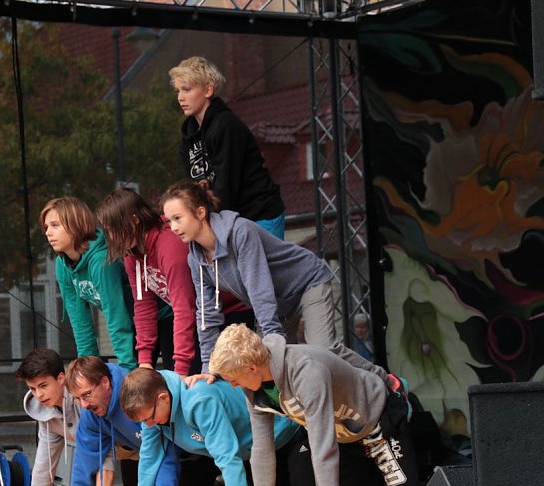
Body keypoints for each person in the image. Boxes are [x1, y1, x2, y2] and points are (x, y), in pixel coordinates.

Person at [209, 324, 421, 486]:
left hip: (378, 419)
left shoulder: (305, 370)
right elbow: (262, 449)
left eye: (233, 379)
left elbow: (322, 443)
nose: (234, 386)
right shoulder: (253, 389)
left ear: (252, 368)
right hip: (345, 435)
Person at [160, 180, 376, 374]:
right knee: (266, 367)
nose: (173, 227)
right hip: (280, 302)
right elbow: (206, 314)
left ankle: (385, 381)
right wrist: (209, 366)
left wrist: (273, 337)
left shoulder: (240, 232)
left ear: (200, 213)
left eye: (178, 218)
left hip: (307, 283)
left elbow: (258, 288)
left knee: (324, 353)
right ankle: (294, 418)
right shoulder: (195, 260)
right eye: (169, 221)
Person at [118, 367, 303, 486]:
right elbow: (149, 460)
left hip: (285, 436)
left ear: (163, 398)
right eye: (143, 421)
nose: (148, 425)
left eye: (150, 418)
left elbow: (227, 456)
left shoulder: (199, 400)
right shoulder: (151, 411)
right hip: (249, 454)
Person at [47, 356, 180, 486]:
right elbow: (84, 459)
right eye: (77, 399)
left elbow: (164, 453)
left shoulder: (134, 397)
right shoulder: (91, 412)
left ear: (105, 382)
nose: (84, 405)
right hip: (149, 454)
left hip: (189, 452)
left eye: (87, 394)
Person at [169, 56, 286, 239]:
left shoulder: (226, 126)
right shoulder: (188, 138)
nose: (180, 97)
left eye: (187, 89)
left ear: (208, 90)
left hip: (259, 215)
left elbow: (227, 183)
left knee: (258, 268)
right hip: (227, 219)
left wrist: (212, 228)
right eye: (177, 91)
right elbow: (195, 185)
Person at [96, 188, 198, 376]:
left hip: (218, 314)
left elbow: (184, 306)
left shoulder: (169, 244)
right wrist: (144, 361)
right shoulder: (132, 254)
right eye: (108, 231)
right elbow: (143, 306)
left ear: (134, 220)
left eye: (114, 229)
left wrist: (182, 370)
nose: (111, 236)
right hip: (192, 318)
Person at [40, 197, 137, 370]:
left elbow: (117, 316)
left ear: (76, 225)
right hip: (130, 328)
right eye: (46, 227)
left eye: (55, 225)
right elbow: (79, 320)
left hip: (154, 322)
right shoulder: (62, 265)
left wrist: (128, 369)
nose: (48, 232)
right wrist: (88, 369)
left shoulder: (102, 261)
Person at [0, 348, 84, 486]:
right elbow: (44, 465)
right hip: (122, 452)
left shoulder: (82, 400)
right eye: (32, 388)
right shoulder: (46, 414)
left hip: (131, 438)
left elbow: (97, 459)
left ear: (61, 378)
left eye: (43, 386)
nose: (38, 395)